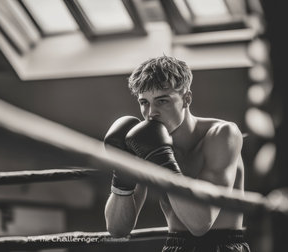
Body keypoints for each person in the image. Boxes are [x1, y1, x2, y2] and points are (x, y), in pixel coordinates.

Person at [103, 56, 250, 252]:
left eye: (162, 101)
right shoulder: (144, 142)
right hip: (175, 247)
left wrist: (162, 160)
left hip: (221, 245)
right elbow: (117, 229)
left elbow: (200, 224)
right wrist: (121, 176)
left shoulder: (222, 135)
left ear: (186, 99)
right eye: (144, 102)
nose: (150, 113)